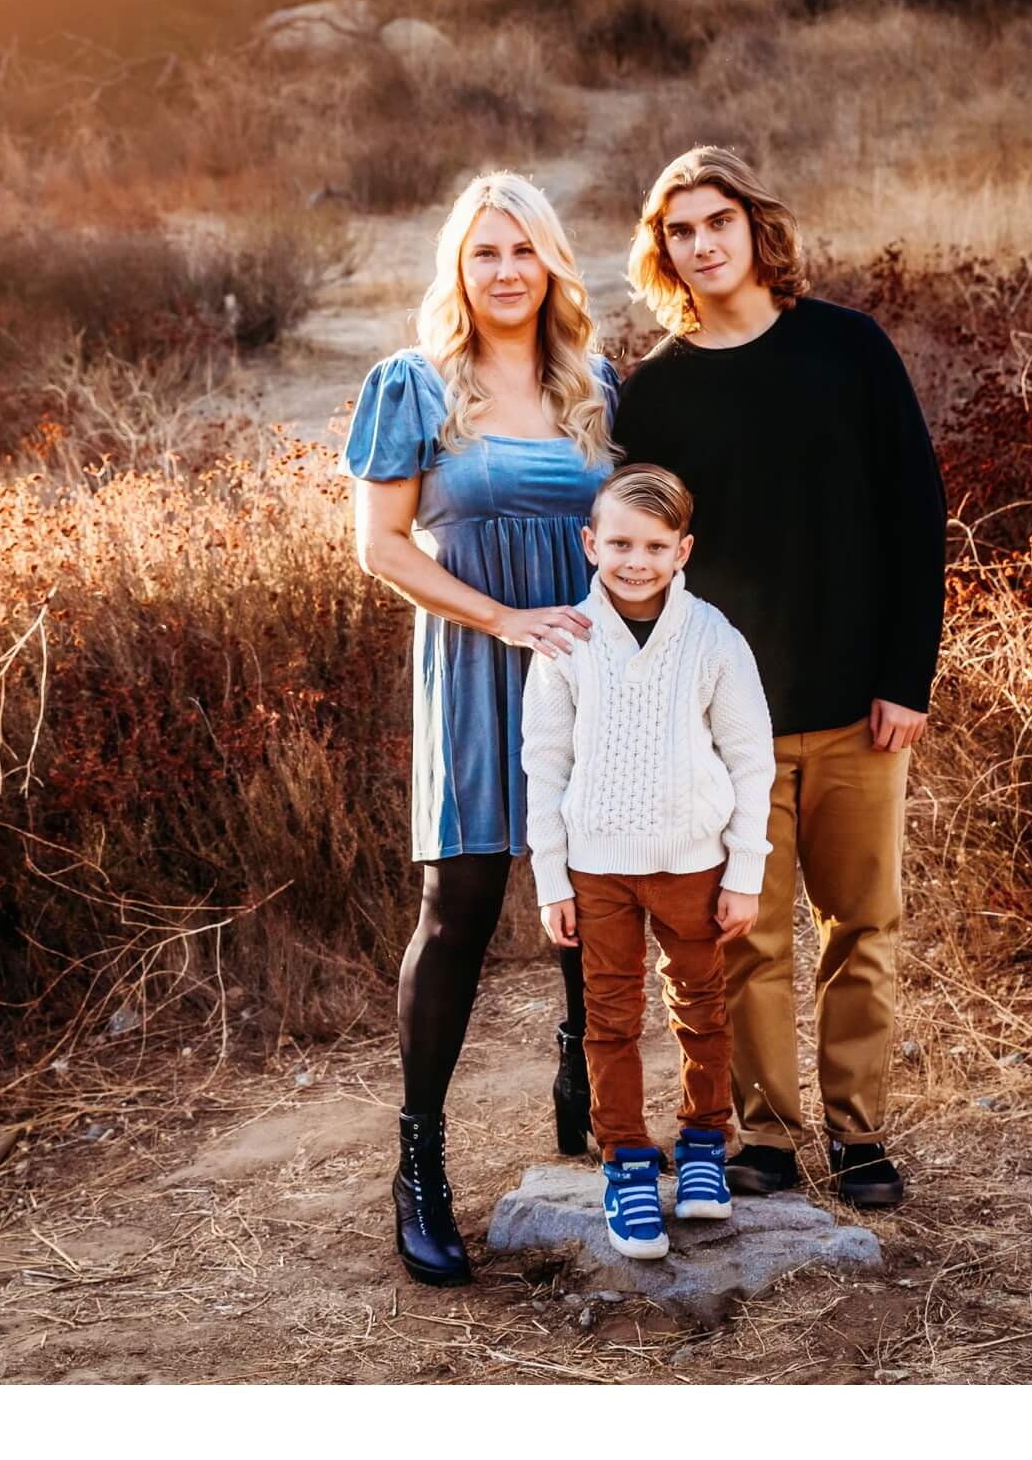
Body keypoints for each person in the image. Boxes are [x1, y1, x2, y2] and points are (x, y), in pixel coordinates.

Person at [608, 146, 947, 1209]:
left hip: (857, 708)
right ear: (661, 250)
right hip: (724, 729)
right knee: (740, 940)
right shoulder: (655, 396)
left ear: (757, 228)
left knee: (862, 929)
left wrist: (907, 676)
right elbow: (643, 563)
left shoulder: (846, 348)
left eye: (718, 222)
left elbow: (915, 514)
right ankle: (762, 1137)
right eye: (680, 231)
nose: (702, 245)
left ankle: (858, 1137)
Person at [341, 170, 619, 1287]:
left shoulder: (597, 387)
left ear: (552, 262)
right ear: (457, 269)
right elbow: (383, 546)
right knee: (457, 904)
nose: (505, 272)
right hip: (471, 660)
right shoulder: (411, 385)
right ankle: (419, 1165)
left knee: (597, 883)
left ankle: (581, 1075)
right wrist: (503, 618)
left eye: (523, 251)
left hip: (587, 665)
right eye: (483, 253)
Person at [520, 464, 775, 1259]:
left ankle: (703, 1143)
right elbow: (544, 761)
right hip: (595, 866)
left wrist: (744, 871)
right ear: (590, 541)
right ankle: (626, 1156)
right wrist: (550, 877)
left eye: (655, 544)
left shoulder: (712, 638)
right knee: (610, 1015)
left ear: (682, 549)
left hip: (692, 861)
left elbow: (750, 757)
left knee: (702, 1004)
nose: (636, 559)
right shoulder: (566, 641)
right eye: (620, 541)